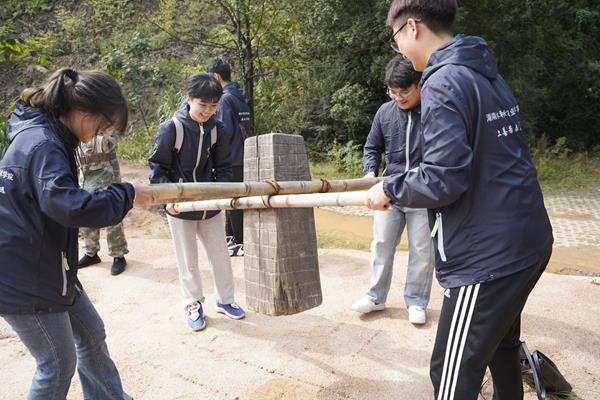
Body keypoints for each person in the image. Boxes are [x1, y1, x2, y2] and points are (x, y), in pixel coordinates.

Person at [366, 1, 554, 399]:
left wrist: (390, 188)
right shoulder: (485, 72)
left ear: (412, 28)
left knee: (451, 374)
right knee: (500, 345)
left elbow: (443, 178)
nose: (399, 48)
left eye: (396, 38)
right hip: (530, 239)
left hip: (487, 255)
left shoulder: (443, 81)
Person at [0, 68, 155, 400]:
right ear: (84, 112)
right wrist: (127, 193)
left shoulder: (46, 135)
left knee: (91, 334)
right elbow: (71, 208)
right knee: (55, 365)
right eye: (101, 126)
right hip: (25, 276)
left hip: (48, 264)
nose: (99, 134)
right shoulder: (43, 144)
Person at [149, 72, 245, 332]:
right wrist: (167, 199)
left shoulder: (218, 129)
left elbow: (224, 167)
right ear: (189, 99)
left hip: (209, 206)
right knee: (187, 260)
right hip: (179, 207)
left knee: (221, 256)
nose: (208, 111)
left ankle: (226, 300)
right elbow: (157, 168)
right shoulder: (172, 128)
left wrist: (219, 193)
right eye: (203, 105)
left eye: (213, 106)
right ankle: (192, 304)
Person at [352, 56, 435, 325]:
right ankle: (375, 297)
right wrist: (369, 173)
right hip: (388, 191)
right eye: (392, 91)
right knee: (381, 244)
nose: (398, 97)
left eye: (404, 91)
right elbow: (371, 147)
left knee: (422, 249)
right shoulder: (384, 113)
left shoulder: (434, 111)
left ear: (419, 85)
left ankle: (416, 301)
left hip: (423, 192)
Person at [206, 58, 253, 257]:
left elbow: (222, 131)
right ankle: (230, 238)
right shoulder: (240, 96)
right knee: (235, 198)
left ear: (216, 77)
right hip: (245, 155)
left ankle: (240, 242)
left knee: (234, 201)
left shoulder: (224, 99)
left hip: (231, 158)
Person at [77, 134, 130, 275]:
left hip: (108, 178)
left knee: (113, 217)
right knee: (87, 215)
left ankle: (118, 255)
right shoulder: (79, 124)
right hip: (85, 179)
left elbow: (107, 144)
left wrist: (85, 136)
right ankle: (91, 253)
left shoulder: (107, 121)